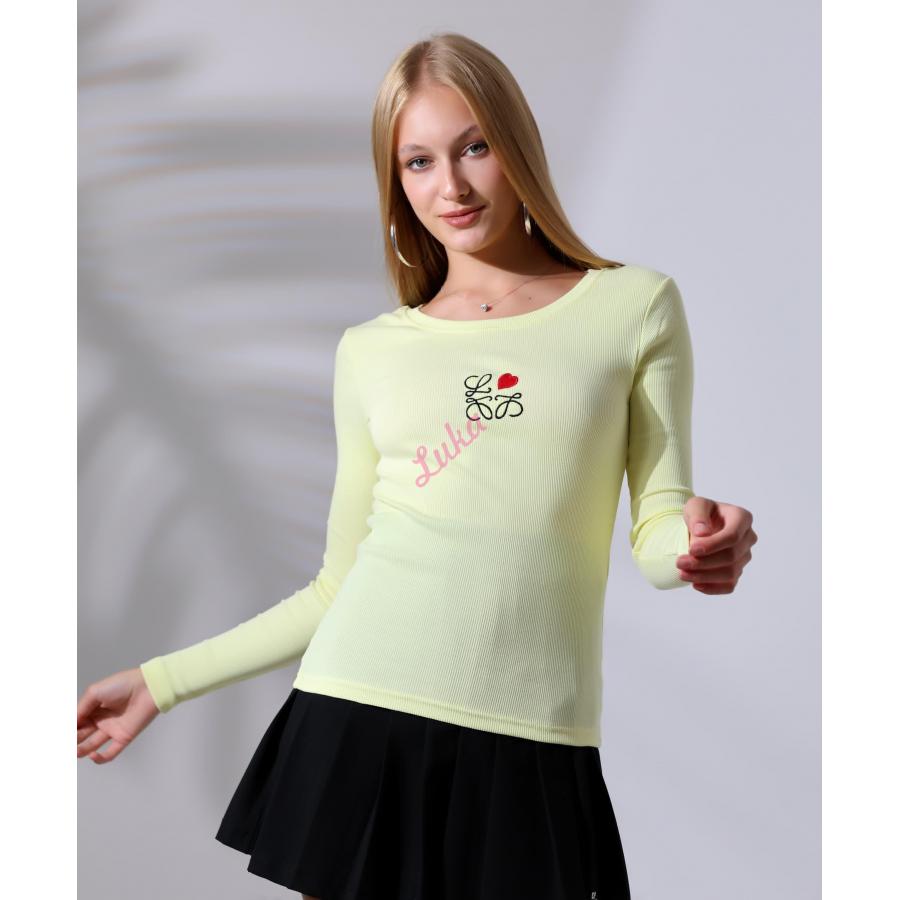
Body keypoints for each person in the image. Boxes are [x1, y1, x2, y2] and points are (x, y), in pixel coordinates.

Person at [76, 31, 757, 900]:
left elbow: (658, 525)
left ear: (517, 144)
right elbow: (336, 586)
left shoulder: (632, 306)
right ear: (395, 181)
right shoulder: (373, 351)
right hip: (361, 713)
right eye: (419, 162)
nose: (453, 187)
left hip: (533, 735)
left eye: (475, 147)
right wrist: (161, 682)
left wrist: (699, 543)